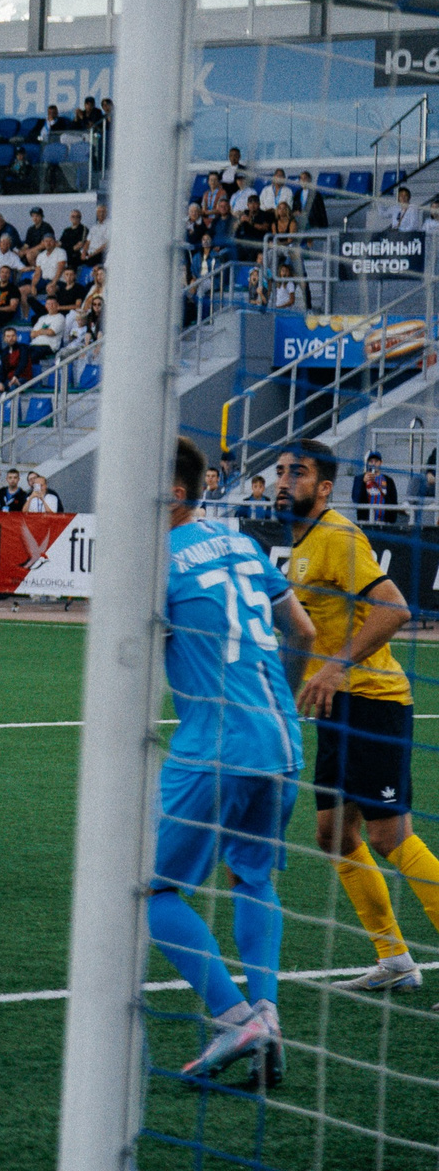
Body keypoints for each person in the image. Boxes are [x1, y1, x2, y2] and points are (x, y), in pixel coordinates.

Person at [153, 438, 311, 1085]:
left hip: (213, 745)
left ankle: (233, 1015)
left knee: (150, 890)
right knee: (253, 877)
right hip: (281, 741)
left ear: (176, 493)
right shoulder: (242, 542)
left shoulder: (156, 559)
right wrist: (281, 705)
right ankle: (266, 1013)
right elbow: (303, 631)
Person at [275, 441, 439, 993]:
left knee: (390, 835)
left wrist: (333, 668)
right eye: (280, 471)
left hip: (374, 701)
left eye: (298, 473)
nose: (284, 481)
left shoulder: (338, 536)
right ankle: (395, 961)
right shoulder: (301, 543)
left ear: (324, 487)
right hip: (337, 706)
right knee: (333, 834)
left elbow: (395, 607)